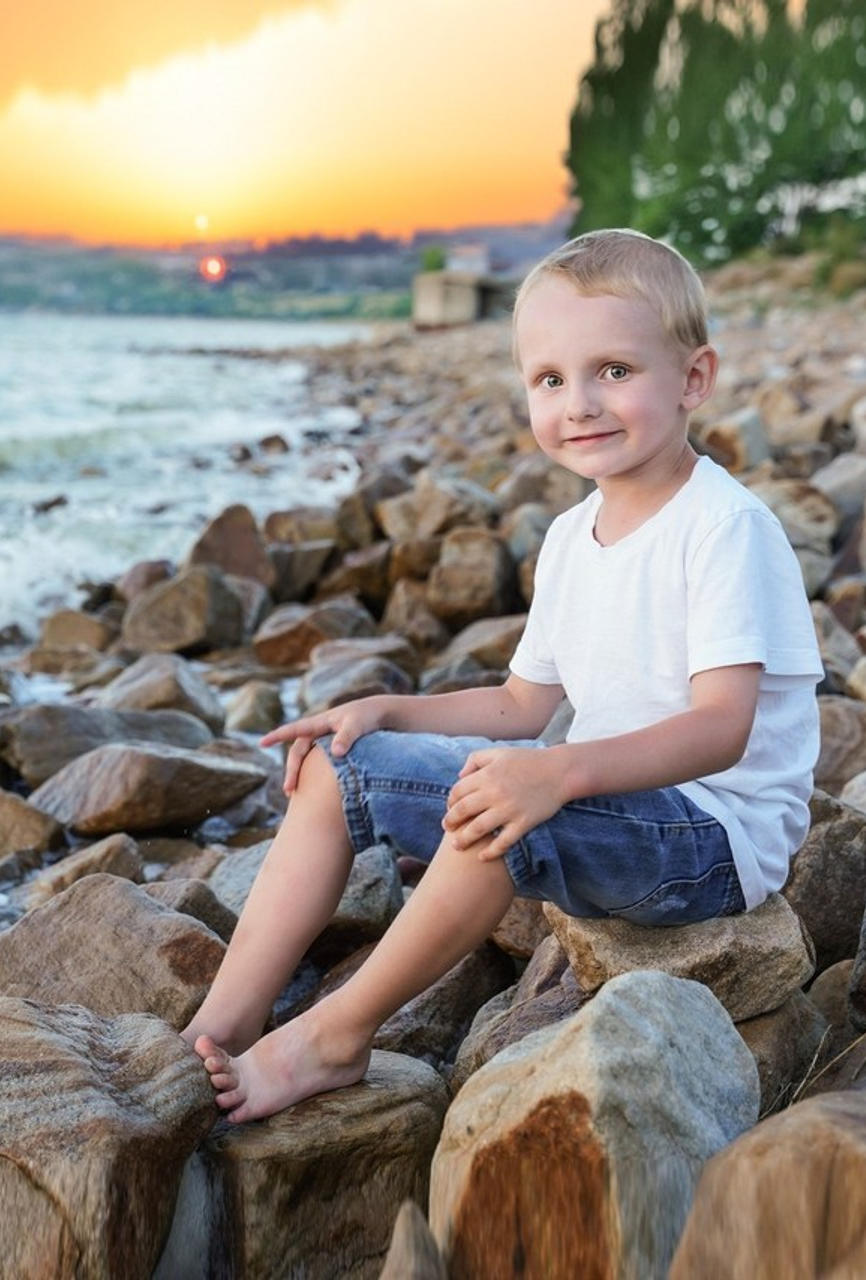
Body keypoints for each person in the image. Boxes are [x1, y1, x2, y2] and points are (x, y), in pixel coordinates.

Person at [181, 228, 823, 1124]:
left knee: (502, 806)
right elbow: (523, 705)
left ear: (694, 379)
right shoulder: (571, 537)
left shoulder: (724, 527)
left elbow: (724, 726)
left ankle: (339, 1033)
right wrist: (386, 706)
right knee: (338, 766)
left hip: (712, 836)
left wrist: (558, 772)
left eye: (614, 371)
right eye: (551, 381)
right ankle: (216, 1026)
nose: (581, 404)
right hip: (604, 799)